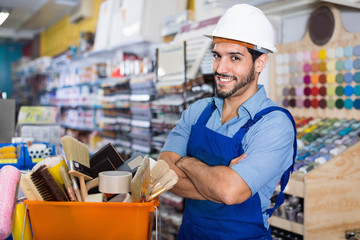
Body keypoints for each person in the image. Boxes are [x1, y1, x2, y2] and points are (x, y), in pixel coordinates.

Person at [158, 3, 297, 240]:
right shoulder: (197, 111)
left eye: (235, 58)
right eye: (217, 56)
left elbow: (230, 192)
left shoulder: (274, 124)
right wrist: (217, 181)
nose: (221, 68)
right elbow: (161, 175)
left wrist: (186, 163)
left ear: (260, 63)